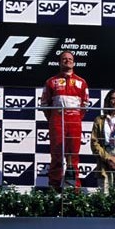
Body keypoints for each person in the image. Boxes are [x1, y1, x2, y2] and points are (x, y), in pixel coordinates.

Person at [40, 51, 89, 190]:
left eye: (70, 59)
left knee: (73, 158)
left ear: (74, 62)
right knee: (56, 157)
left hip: (74, 122)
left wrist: (74, 118)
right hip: (57, 121)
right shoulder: (51, 81)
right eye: (64, 59)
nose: (67, 61)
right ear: (59, 62)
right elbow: (45, 105)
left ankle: (74, 190)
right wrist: (54, 118)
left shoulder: (81, 82)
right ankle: (54, 189)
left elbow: (84, 106)